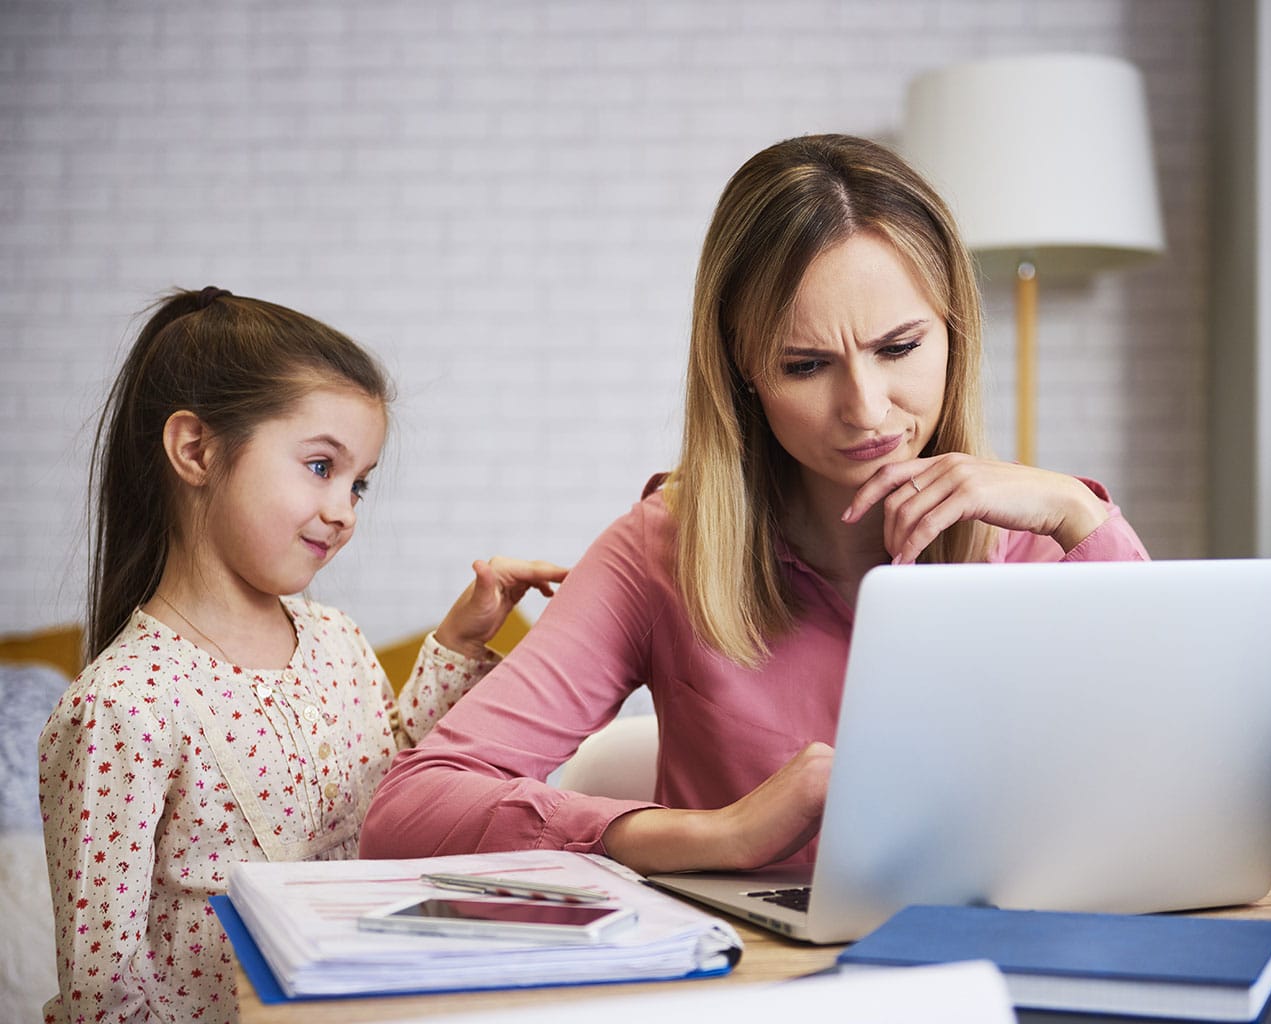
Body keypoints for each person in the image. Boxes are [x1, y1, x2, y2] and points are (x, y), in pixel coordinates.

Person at [360, 134, 1148, 878]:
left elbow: (1184, 769)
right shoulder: (660, 551)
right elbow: (410, 811)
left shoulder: (1044, 536)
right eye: (806, 365)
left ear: (956, 332)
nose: (867, 408)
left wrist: (1079, 513)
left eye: (899, 349)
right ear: (742, 372)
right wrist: (716, 833)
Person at [37, 287, 565, 1024]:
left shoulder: (336, 642)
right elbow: (104, 990)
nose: (345, 510)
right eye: (321, 467)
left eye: (360, 483)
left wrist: (458, 644)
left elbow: (382, 798)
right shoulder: (122, 705)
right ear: (196, 450)